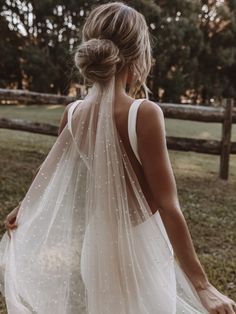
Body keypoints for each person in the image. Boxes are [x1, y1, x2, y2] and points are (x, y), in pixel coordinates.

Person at [0, 2, 235, 314]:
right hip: (141, 248)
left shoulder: (73, 114)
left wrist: (23, 208)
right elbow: (168, 205)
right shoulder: (144, 113)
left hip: (96, 248)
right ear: (137, 57)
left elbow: (48, 171)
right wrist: (203, 287)